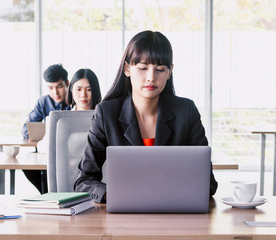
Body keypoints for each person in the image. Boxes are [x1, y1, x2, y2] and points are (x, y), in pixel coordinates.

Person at [74, 30, 218, 203]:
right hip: (124, 213)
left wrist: (165, 193)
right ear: (127, 68)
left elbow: (208, 183)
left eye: (160, 69)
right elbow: (84, 182)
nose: (151, 78)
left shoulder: (186, 112)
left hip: (174, 211)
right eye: (142, 68)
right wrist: (116, 195)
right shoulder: (106, 114)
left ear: (170, 72)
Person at [22, 63, 70, 193]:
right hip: (47, 150)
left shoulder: (74, 99)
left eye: (59, 86)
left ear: (67, 83)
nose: (55, 92)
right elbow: (26, 129)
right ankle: (46, 193)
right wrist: (43, 134)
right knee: (27, 164)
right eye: (50, 88)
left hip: (69, 151)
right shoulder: (44, 102)